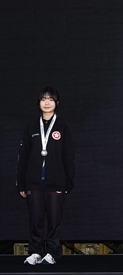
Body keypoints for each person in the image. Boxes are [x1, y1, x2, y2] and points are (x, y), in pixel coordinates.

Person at [16, 86, 75, 265]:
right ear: (39, 103)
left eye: (50, 99)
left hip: (56, 182)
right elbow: (23, 156)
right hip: (33, 182)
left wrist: (68, 182)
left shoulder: (62, 127)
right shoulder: (31, 127)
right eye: (43, 99)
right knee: (35, 219)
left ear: (57, 103)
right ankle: (35, 252)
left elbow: (68, 156)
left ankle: (52, 252)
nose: (47, 102)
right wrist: (20, 183)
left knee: (54, 220)